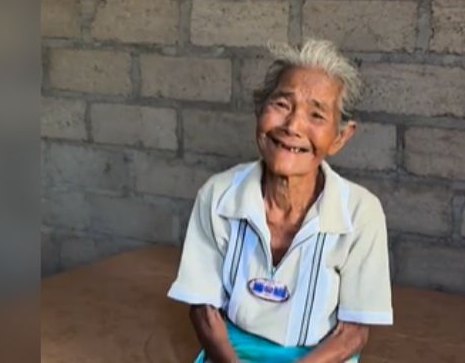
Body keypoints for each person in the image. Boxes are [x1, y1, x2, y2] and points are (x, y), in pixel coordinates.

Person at [167, 39, 393, 362]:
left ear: (341, 137)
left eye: (316, 115)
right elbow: (204, 309)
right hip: (230, 353)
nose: (292, 126)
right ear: (260, 110)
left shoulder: (361, 213)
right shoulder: (217, 196)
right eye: (282, 105)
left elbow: (353, 332)